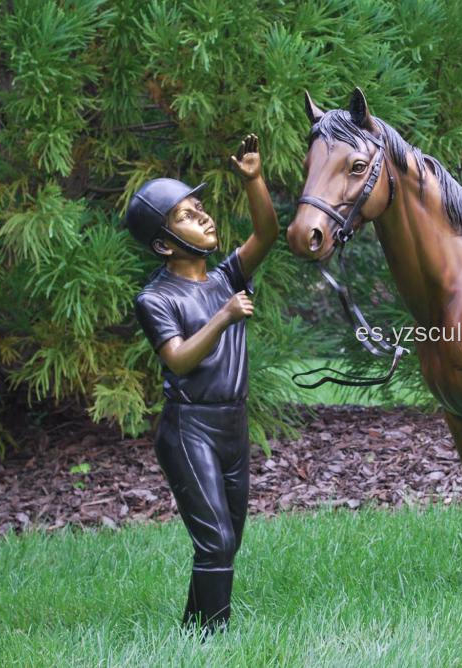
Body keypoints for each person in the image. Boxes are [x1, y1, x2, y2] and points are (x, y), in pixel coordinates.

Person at [124, 134, 277, 635]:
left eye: (200, 207)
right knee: (214, 541)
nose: (204, 216)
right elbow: (179, 360)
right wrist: (224, 316)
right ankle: (215, 640)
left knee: (227, 538)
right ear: (165, 243)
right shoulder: (156, 299)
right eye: (187, 215)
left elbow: (267, 233)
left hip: (233, 423)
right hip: (190, 430)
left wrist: (253, 180)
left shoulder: (225, 277)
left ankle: (193, 632)